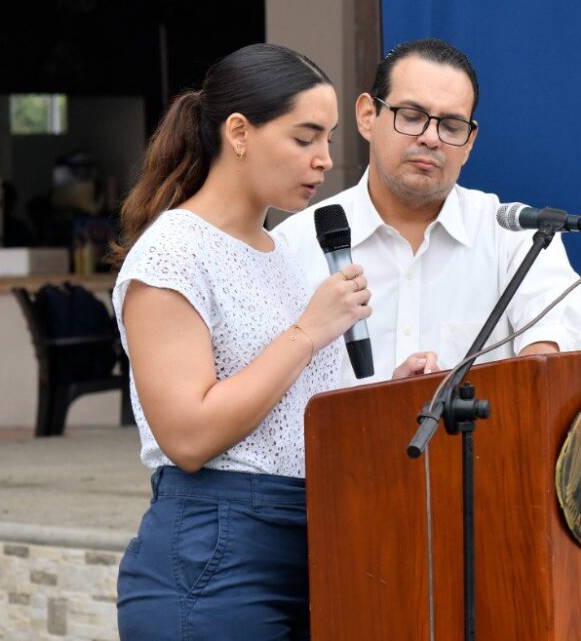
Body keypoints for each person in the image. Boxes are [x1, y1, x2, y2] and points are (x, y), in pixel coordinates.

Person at [110, 44, 424, 639]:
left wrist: (388, 397)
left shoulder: (282, 255)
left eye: (329, 139)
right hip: (216, 551)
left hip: (312, 539)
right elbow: (188, 437)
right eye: (305, 138)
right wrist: (308, 332)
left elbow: (288, 419)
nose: (325, 159)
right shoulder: (173, 253)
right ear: (238, 133)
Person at [273, 38, 581, 386]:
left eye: (451, 126)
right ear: (368, 116)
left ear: (469, 142)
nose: (431, 138)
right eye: (411, 117)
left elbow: (565, 332)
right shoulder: (293, 246)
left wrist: (540, 367)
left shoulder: (515, 236)